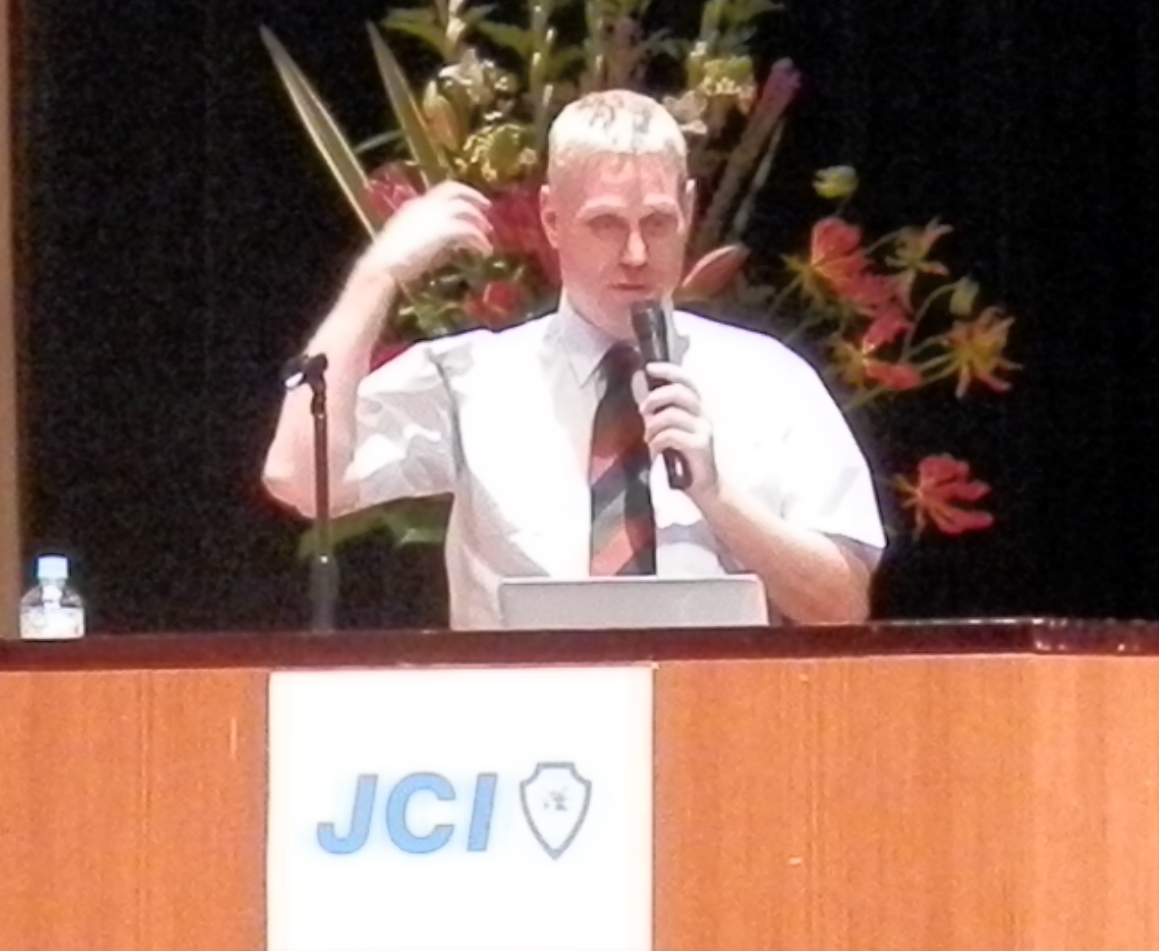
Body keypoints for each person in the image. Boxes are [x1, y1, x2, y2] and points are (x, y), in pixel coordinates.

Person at [264, 89, 885, 628]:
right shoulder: (474, 378)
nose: (636, 254)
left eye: (658, 222)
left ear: (690, 210)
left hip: (714, 716)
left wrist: (718, 495)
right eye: (606, 224)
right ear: (552, 219)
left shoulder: (770, 379)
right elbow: (298, 477)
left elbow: (842, 605)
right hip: (527, 718)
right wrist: (376, 277)